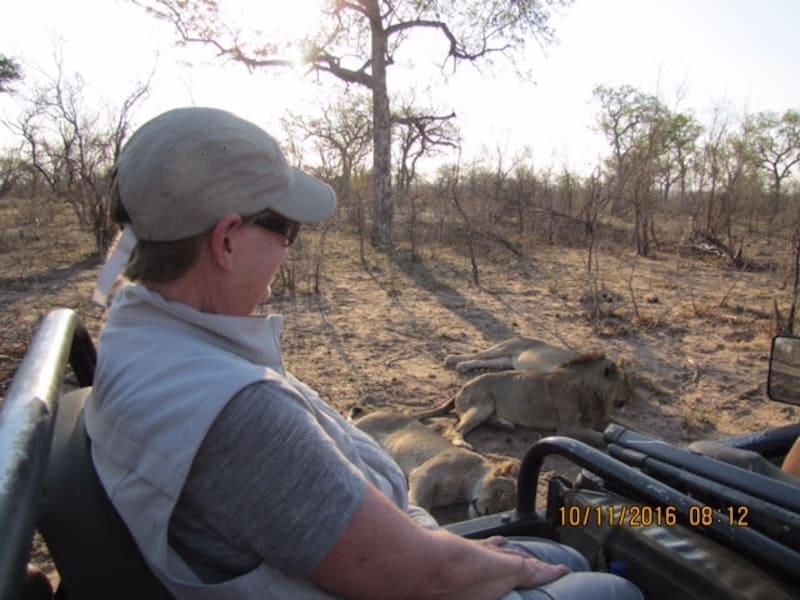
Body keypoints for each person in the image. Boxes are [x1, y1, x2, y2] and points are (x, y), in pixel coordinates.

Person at [86, 106, 643, 599]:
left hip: (382, 554)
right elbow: (426, 580)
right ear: (227, 240)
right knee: (612, 585)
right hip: (410, 578)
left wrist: (451, 549)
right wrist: (482, 561)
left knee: (563, 557)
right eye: (285, 229)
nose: (287, 250)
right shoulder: (235, 412)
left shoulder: (143, 342)